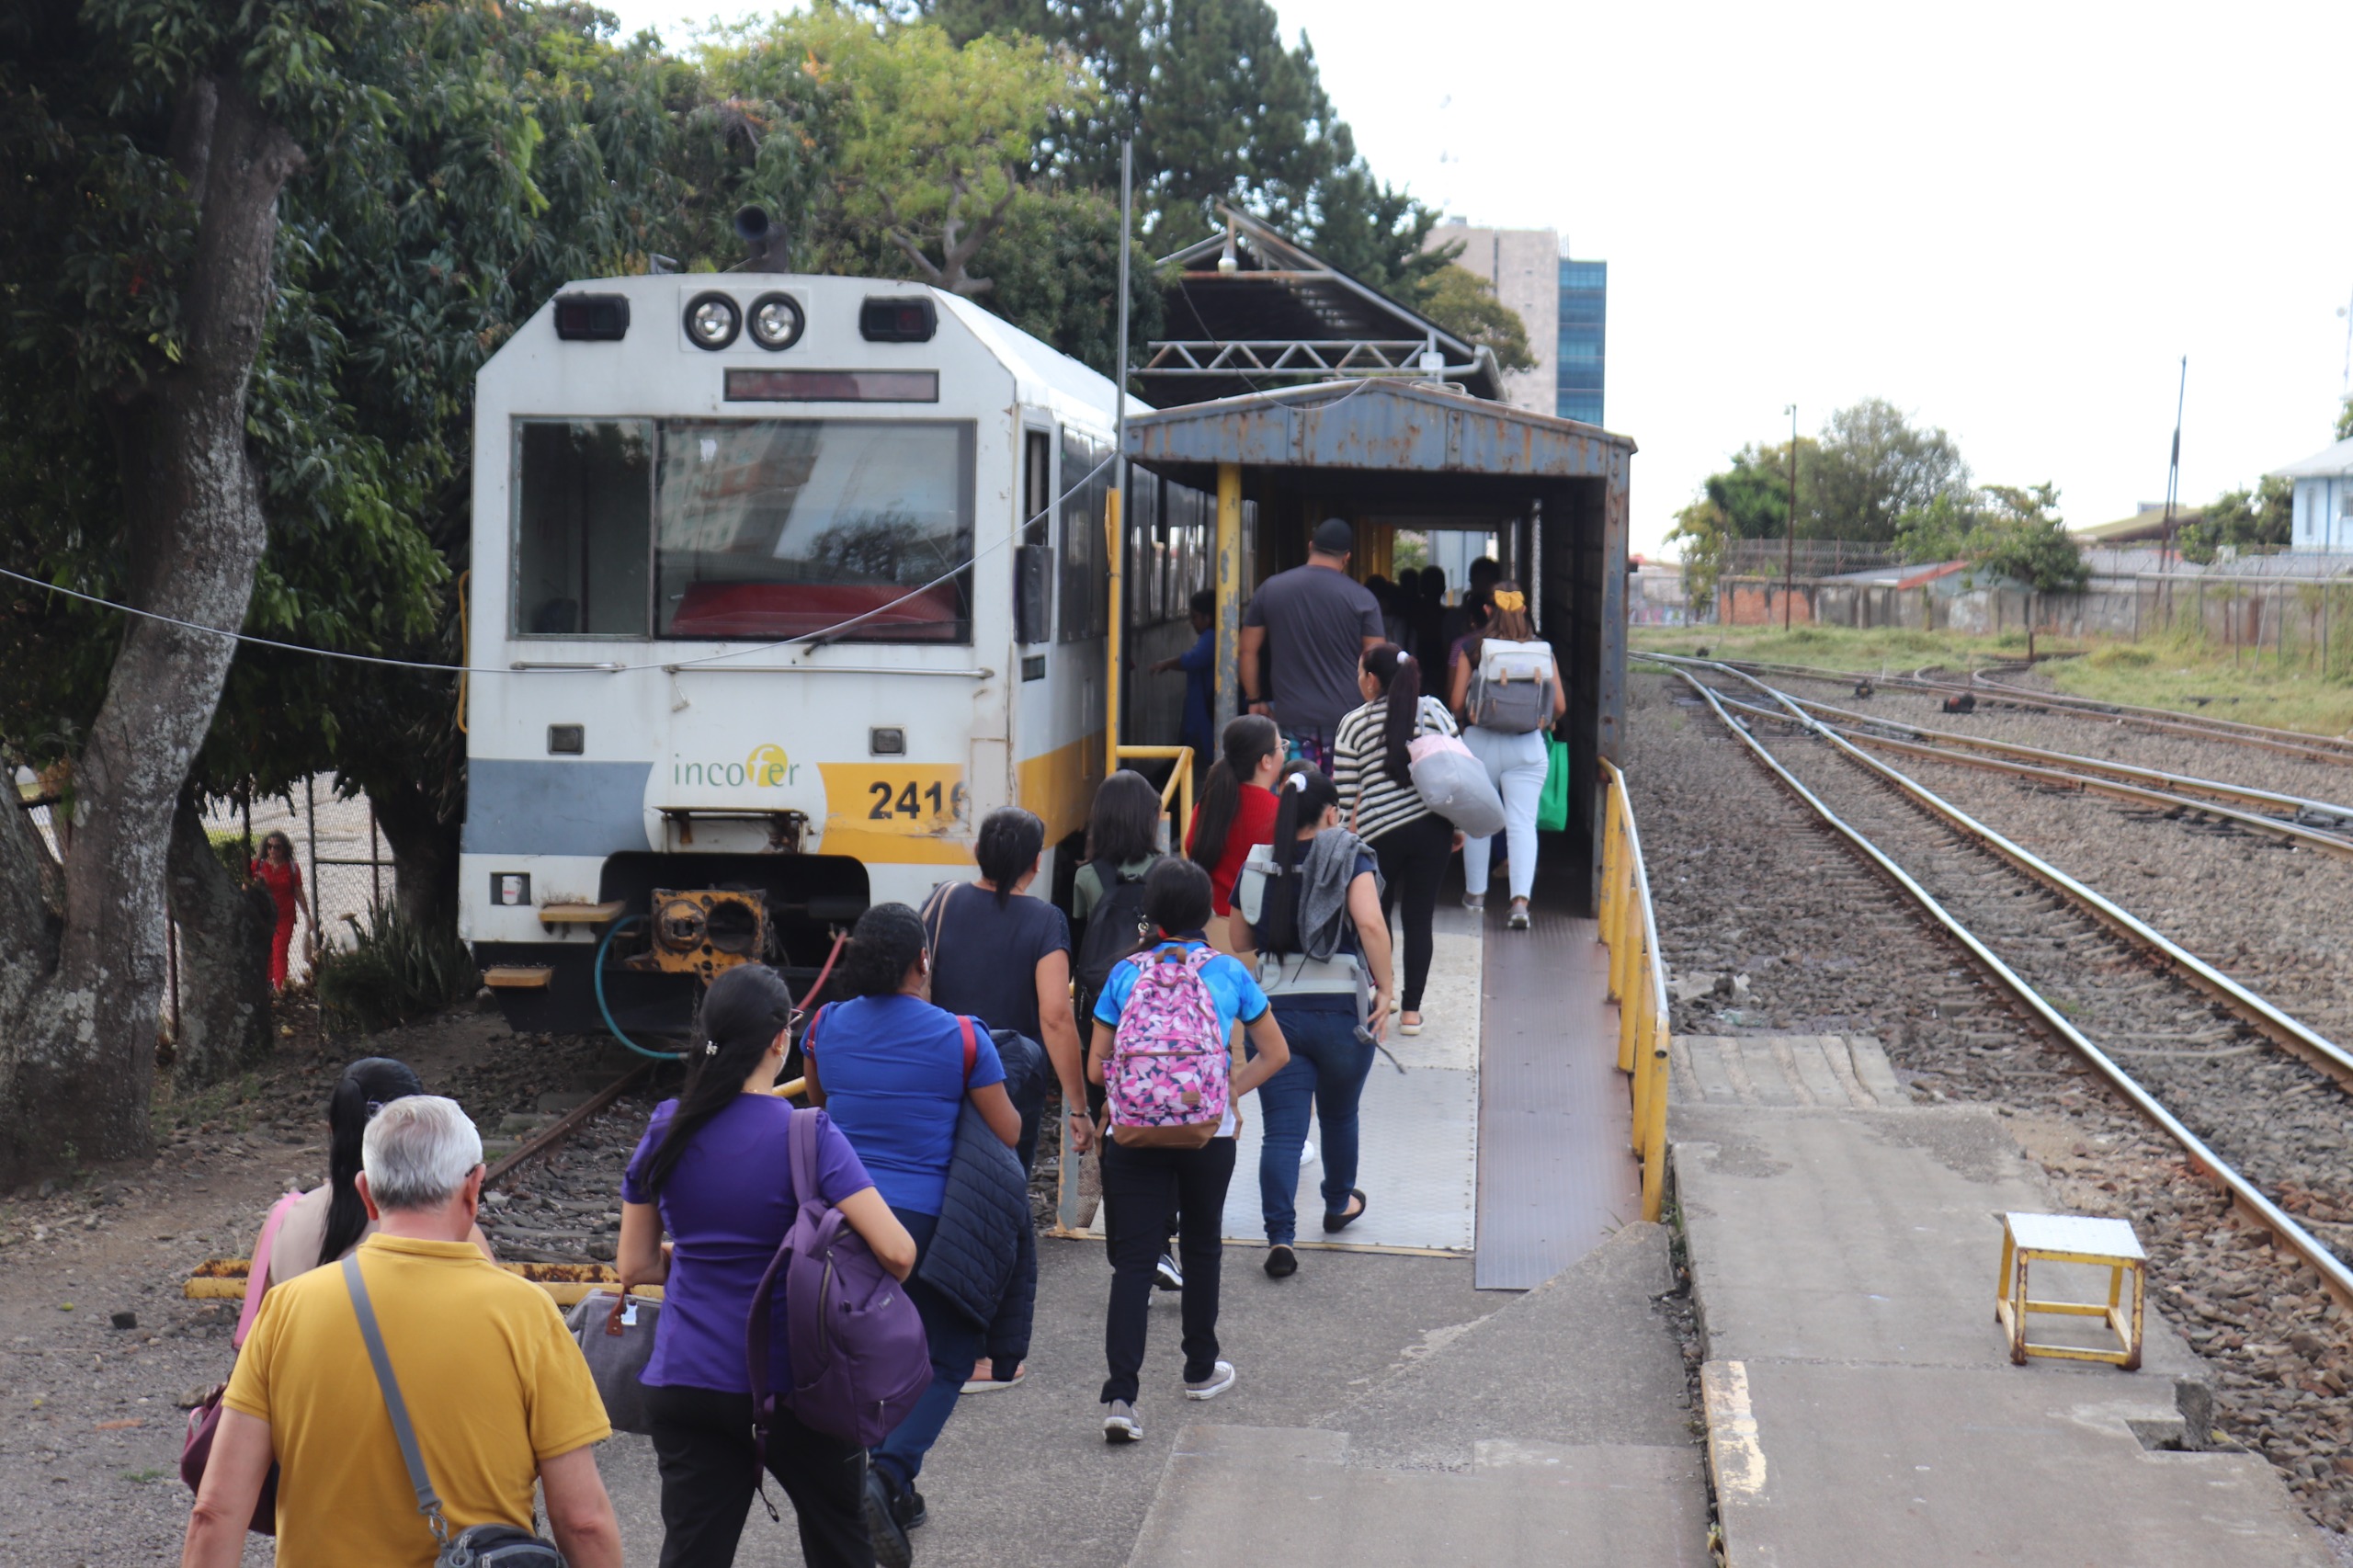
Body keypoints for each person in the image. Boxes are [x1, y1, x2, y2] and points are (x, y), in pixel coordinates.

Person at [182, 1096, 622, 1568]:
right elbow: (582, 1521)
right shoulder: (527, 1314)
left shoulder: (287, 1309)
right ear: (474, 1188)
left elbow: (216, 1513)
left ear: (366, 1193)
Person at [618, 964, 917, 1568]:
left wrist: (706, 1254)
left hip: (687, 1381)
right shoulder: (807, 1133)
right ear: (782, 1039)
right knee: (840, 1541)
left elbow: (635, 1264)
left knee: (692, 1555)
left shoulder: (665, 1125)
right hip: (798, 1383)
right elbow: (899, 1252)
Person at [801, 903, 1023, 1551]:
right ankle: (890, 1475)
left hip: (842, 1221)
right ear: (921, 961)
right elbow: (1007, 1132)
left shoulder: (823, 1027)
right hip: (925, 1226)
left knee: (854, 1353)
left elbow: (820, 1106)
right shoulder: (961, 1037)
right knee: (947, 1350)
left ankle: (878, 1482)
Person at [1088, 858, 1289, 1443]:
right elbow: (1275, 1054)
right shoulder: (1228, 972)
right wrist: (1226, 1089)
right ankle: (1200, 1368)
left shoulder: (1125, 974)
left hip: (1132, 1131)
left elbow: (1099, 1071)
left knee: (1133, 1260)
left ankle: (1121, 1397)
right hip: (1208, 1131)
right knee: (1203, 1245)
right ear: (1206, 914)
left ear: (1150, 914)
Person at [1228, 768, 1394, 1278]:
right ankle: (1337, 1203)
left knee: (1281, 1132)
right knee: (1340, 1115)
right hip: (1342, 1010)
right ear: (1329, 814)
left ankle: (1280, 1236)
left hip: (1274, 1017)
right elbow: (1368, 922)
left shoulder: (1257, 862)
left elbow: (1239, 940)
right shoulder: (1350, 856)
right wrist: (1386, 989)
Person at [922, 807, 1093, 1176]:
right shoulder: (1046, 920)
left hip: (942, 1068)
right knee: (1004, 1189)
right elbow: (1056, 1017)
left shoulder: (941, 900)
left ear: (978, 849)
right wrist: (1078, 1107)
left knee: (943, 1183)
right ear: (1036, 862)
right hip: (1011, 1081)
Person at [266, 1056, 494, 1286]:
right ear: (421, 1134)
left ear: (332, 1129)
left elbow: (264, 1318)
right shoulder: (450, 1230)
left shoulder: (282, 1220)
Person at [1332, 644, 1461, 1037]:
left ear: (1372, 680)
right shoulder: (1434, 711)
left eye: (1359, 674)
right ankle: (1411, 1013)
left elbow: (1344, 795)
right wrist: (1456, 824)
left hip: (1377, 836)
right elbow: (1458, 770)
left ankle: (1379, 999)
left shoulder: (1353, 724)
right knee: (1420, 917)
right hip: (1432, 830)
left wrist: (1341, 841)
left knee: (1376, 917)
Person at [1448, 582, 1565, 930]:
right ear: (1524, 609)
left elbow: (1456, 704)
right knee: (1522, 824)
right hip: (1527, 745)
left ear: (1488, 610)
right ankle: (1519, 903)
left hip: (1480, 744)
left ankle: (1476, 895)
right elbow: (1559, 706)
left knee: (1477, 821)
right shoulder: (1542, 651)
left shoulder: (1473, 649)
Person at [1237, 517, 1383, 774]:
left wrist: (1255, 698)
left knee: (1297, 793)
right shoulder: (1362, 598)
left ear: (1311, 545)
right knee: (1340, 796)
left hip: (1291, 716)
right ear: (1347, 556)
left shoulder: (1271, 589)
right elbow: (1377, 658)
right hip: (1347, 717)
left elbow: (1246, 650)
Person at [1184, 714, 1285, 949]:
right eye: (1282, 746)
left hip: (1207, 937)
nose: (1284, 753)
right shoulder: (1282, 813)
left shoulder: (1208, 805)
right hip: (1257, 939)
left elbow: (1191, 849)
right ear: (1266, 761)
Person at [1149, 588, 1219, 761]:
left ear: (1207, 618)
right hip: (1203, 715)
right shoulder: (1214, 636)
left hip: (1203, 717)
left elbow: (1192, 660)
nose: (1192, 622)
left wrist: (1166, 664)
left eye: (1194, 617)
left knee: (1199, 764)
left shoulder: (1211, 637)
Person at [247, 830, 310, 992]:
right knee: (266, 952)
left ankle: (280, 988)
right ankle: (267, 987)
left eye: (277, 847)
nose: (273, 851)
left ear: (284, 849)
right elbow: (246, 888)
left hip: (284, 916)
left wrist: (307, 915)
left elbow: (298, 892)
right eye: (269, 847)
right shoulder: (257, 865)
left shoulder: (291, 867)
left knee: (280, 951)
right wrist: (257, 883)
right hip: (264, 916)